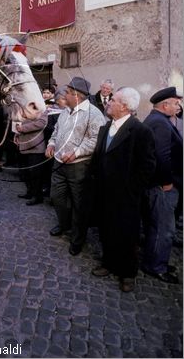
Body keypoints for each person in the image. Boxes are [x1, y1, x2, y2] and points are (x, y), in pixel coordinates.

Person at [91, 87, 156, 293]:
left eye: (113, 100)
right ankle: (108, 263)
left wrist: (132, 190)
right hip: (104, 192)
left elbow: (147, 166)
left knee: (127, 235)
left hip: (127, 196)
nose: (108, 102)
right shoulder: (105, 127)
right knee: (106, 229)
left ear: (124, 106)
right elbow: (99, 158)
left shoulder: (140, 131)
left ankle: (127, 273)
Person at [46, 76, 105, 256]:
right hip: (58, 163)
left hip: (78, 166)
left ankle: (78, 238)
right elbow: (57, 131)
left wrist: (77, 153)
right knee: (56, 197)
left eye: (68, 93)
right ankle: (64, 225)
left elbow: (95, 140)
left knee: (80, 205)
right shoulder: (66, 111)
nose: (65, 96)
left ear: (77, 95)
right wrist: (51, 143)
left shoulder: (94, 115)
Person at [141, 87, 183, 284]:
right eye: (176, 103)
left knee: (156, 225)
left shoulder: (158, 120)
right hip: (162, 186)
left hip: (158, 184)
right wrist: (166, 182)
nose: (179, 106)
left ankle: (155, 260)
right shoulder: (160, 123)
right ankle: (156, 266)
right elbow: (161, 157)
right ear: (165, 105)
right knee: (163, 228)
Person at [15, 110, 48, 205]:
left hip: (35, 146)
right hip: (23, 144)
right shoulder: (24, 108)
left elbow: (41, 123)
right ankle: (29, 192)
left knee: (35, 173)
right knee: (25, 172)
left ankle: (37, 196)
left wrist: (23, 128)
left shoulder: (42, 109)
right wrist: (16, 134)